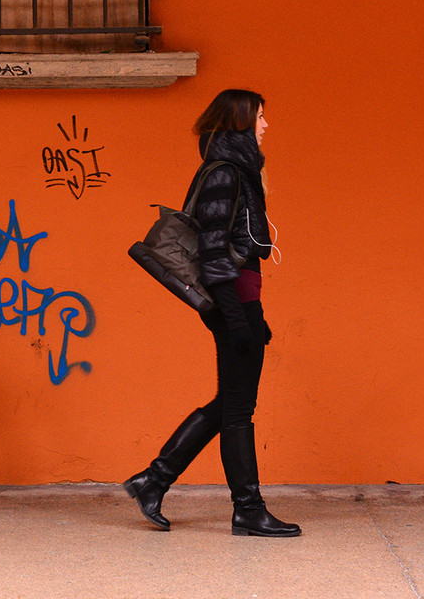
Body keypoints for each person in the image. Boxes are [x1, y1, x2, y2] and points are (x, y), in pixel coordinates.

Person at [123, 89, 301, 537]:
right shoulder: (225, 173)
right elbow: (214, 250)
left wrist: (252, 316)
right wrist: (237, 317)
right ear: (240, 122)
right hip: (232, 301)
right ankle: (248, 510)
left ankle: (153, 480)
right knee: (239, 408)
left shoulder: (235, 171)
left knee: (231, 403)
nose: (266, 125)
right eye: (260, 117)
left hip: (240, 301)